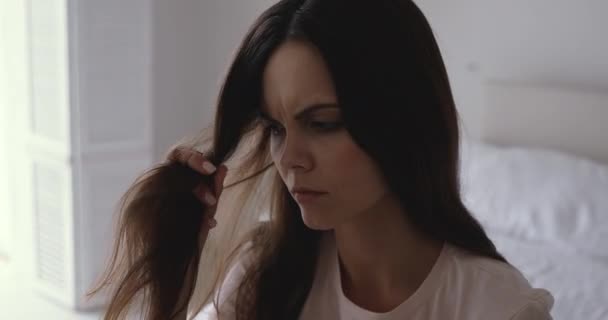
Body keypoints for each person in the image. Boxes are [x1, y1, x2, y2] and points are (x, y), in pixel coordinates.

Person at [88, 0, 554, 319]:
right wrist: (178, 262)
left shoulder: (497, 307)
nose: (289, 158)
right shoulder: (264, 277)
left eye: (323, 123)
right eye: (275, 128)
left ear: (403, 120)